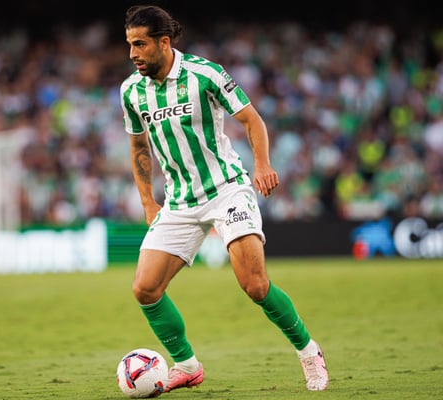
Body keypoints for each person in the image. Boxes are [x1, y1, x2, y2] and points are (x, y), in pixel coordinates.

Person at [119, 5, 329, 393]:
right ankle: (187, 365)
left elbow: (251, 119)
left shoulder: (205, 74)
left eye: (140, 44)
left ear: (163, 42)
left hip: (226, 190)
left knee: (255, 285)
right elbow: (138, 147)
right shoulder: (131, 90)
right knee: (145, 289)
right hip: (179, 202)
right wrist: (148, 201)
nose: (133, 53)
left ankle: (308, 351)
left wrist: (262, 164)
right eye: (130, 44)